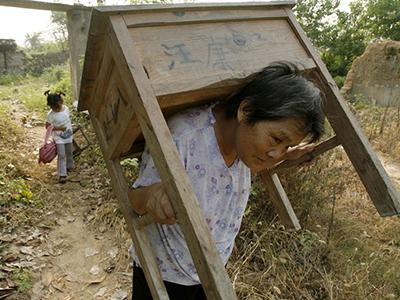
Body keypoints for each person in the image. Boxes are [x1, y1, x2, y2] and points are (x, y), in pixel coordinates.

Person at [128, 62, 325, 299]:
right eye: (276, 139)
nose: (276, 153)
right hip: (163, 274)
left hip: (211, 269)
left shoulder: (247, 147)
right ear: (246, 110)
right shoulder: (183, 137)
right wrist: (151, 197)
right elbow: (134, 201)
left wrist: (286, 155)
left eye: (288, 146)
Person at [44, 91, 74, 184]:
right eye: (53, 107)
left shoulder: (66, 109)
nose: (56, 109)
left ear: (61, 102)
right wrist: (58, 128)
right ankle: (62, 174)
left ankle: (69, 167)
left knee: (69, 152)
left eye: (57, 107)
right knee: (61, 155)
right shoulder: (50, 115)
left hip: (68, 136)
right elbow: (47, 127)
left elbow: (68, 120)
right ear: (50, 106)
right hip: (59, 138)